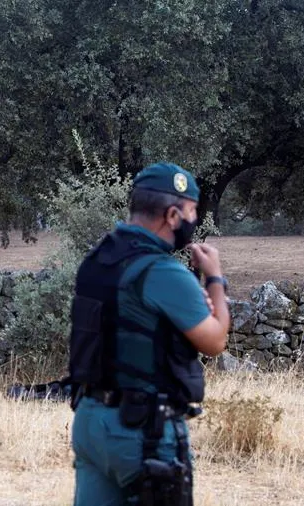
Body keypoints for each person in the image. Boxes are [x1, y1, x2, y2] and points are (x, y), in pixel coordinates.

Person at [67, 162, 230, 505]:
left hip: (90, 419)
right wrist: (214, 278)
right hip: (142, 431)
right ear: (172, 216)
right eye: (191, 211)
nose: (193, 220)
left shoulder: (98, 259)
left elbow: (129, 321)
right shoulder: (162, 271)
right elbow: (215, 341)